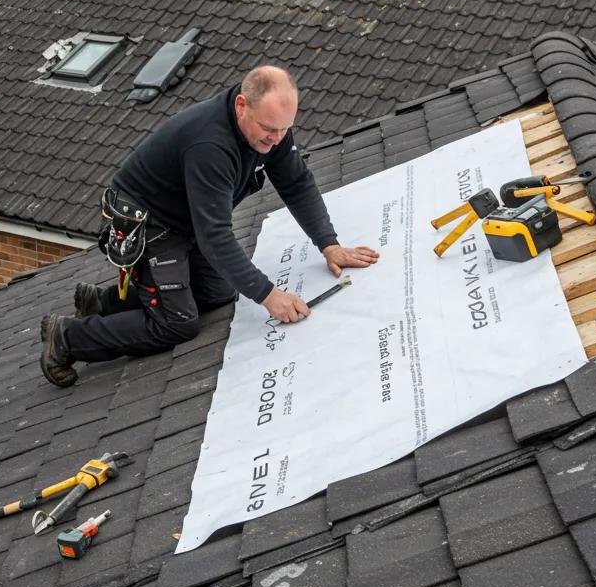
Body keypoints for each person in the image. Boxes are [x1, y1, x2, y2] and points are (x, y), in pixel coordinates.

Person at [40, 65, 379, 387]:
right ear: (242, 105)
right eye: (268, 129)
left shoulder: (267, 127)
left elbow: (297, 183)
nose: (276, 140)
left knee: (217, 294)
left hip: (188, 216)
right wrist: (269, 295)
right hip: (151, 223)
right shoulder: (211, 146)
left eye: (284, 129)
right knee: (176, 323)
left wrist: (328, 244)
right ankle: (67, 336)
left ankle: (101, 303)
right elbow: (214, 234)